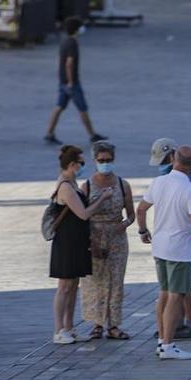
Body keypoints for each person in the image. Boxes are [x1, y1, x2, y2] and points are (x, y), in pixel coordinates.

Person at [136, 146, 191, 360]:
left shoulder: (158, 182)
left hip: (159, 246)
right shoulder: (189, 189)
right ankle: (168, 345)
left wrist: (143, 230)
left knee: (163, 292)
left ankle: (162, 341)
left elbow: (141, 209)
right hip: (179, 249)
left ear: (173, 159)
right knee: (175, 296)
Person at [50, 145, 113, 344]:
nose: (84, 166)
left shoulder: (73, 183)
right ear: (72, 164)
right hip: (67, 242)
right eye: (82, 163)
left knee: (74, 285)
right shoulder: (66, 187)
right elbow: (83, 214)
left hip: (77, 241)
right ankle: (59, 329)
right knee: (64, 286)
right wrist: (102, 198)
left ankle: (70, 327)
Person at [80, 141, 135, 340]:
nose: (105, 163)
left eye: (109, 160)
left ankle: (113, 325)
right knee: (94, 282)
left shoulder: (122, 184)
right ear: (94, 161)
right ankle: (96, 324)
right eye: (101, 160)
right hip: (94, 237)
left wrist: (124, 224)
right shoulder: (87, 186)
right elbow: (81, 214)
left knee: (115, 281)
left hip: (117, 238)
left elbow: (131, 214)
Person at [44, 17, 107, 145]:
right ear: (77, 29)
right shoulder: (73, 43)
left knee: (59, 107)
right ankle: (93, 135)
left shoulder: (64, 42)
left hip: (62, 82)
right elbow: (69, 63)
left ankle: (49, 133)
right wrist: (71, 81)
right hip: (71, 83)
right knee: (82, 108)